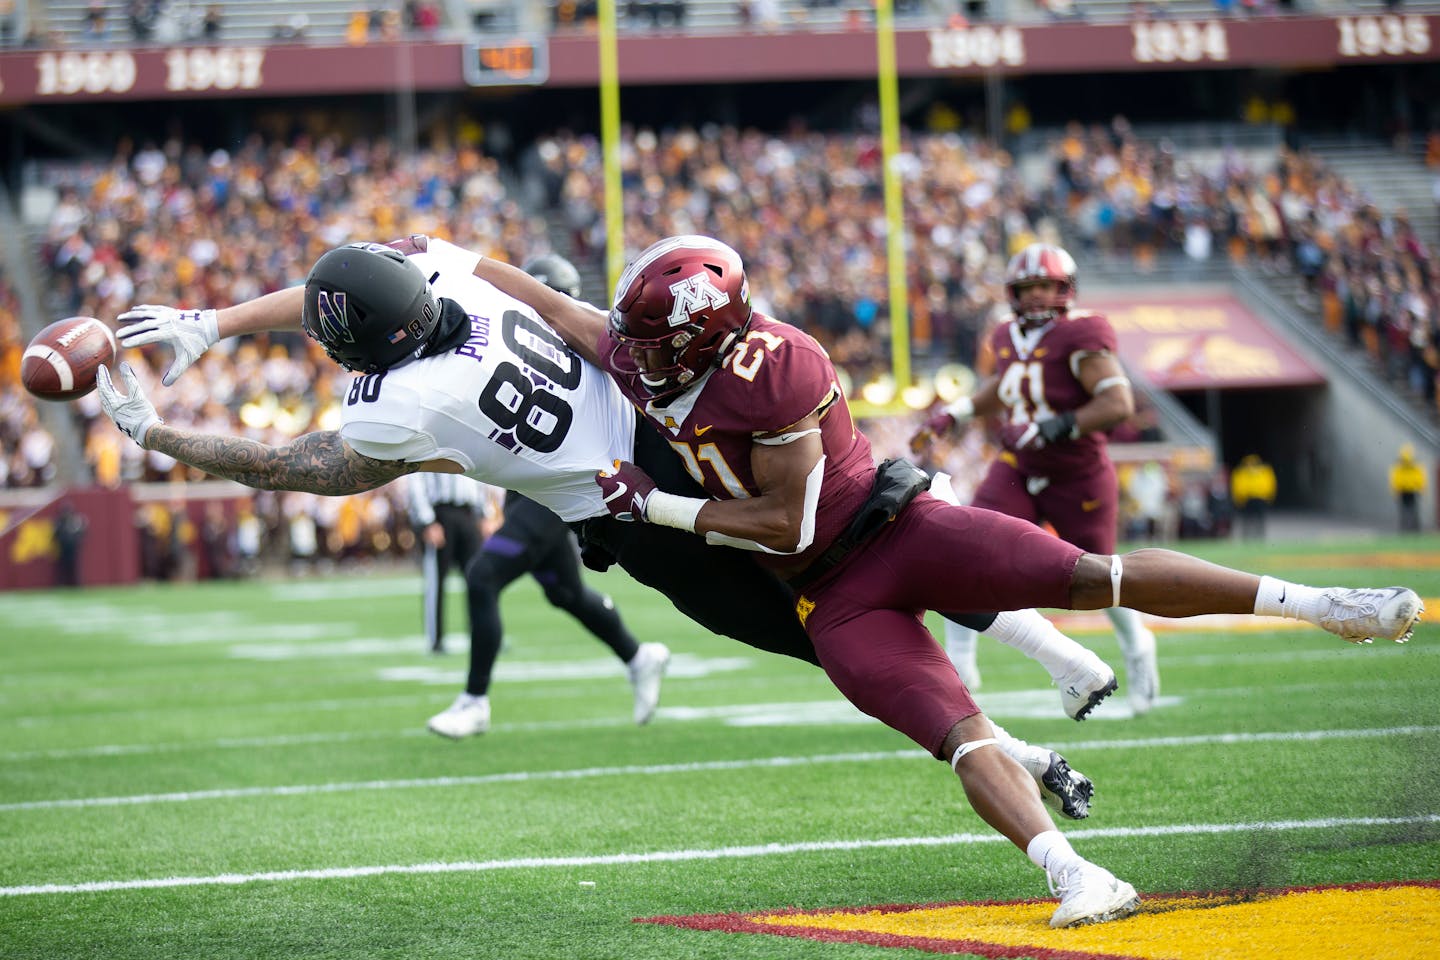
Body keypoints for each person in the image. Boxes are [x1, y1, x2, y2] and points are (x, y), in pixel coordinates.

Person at [468, 234, 1421, 928]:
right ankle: (1077, 875)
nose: (635, 358)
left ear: (709, 333)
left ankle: (1322, 608)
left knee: (1093, 576)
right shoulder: (659, 354)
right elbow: (557, 310)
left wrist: (651, 504)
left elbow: (783, 519)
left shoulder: (778, 366)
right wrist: (445, 258)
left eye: (655, 339)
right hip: (830, 599)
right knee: (959, 736)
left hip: (896, 531)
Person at [100, 236, 1097, 822]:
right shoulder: (458, 284)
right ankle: (1045, 673)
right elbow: (373, 269)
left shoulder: (413, 408)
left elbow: (302, 467)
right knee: (871, 540)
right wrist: (219, 321)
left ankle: (1011, 743)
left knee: (842, 632)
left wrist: (165, 436)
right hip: (669, 427)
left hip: (643, 510)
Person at [424, 255, 670, 738]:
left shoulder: (586, 339)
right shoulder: (519, 338)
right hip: (530, 486)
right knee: (565, 592)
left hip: (562, 483)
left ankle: (474, 701)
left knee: (482, 576)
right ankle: (639, 656)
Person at [909, 243, 1159, 716]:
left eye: (1047, 286)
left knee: (1103, 578)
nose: (1039, 296)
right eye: (1029, 288)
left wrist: (1049, 427)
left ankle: (1138, 647)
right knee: (962, 545)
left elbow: (1117, 404)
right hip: (1021, 467)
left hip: (1077, 472)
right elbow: (1006, 385)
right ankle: (960, 666)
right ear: (1013, 294)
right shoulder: (1006, 334)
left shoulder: (1083, 332)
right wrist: (954, 413)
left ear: (1066, 289)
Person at [408, 471, 493, 654]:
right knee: (436, 580)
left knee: (478, 579)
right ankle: (435, 640)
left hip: (469, 513)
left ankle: (482, 635)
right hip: (440, 514)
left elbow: (479, 474)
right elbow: (415, 479)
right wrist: (427, 521)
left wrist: (485, 513)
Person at [1230, 453, 1276, 540]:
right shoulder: (1241, 472)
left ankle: (1259, 536)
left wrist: (1268, 497)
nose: (1251, 465)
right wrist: (1238, 498)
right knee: (1247, 520)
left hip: (1260, 498)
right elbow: (1237, 486)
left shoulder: (1264, 471)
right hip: (1247, 499)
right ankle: (1247, 537)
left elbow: (1270, 485)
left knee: (1259, 519)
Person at [1389, 443, 1427, 533]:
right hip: (1403, 491)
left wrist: (1420, 489)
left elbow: (1421, 478)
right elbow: (1395, 480)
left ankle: (1415, 529)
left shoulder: (1416, 467)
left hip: (1413, 491)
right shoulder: (1398, 468)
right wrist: (1395, 490)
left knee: (1414, 511)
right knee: (1404, 511)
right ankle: (1404, 529)